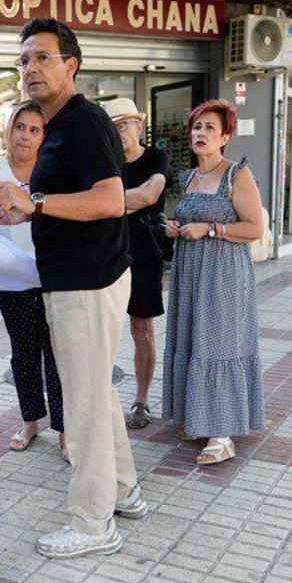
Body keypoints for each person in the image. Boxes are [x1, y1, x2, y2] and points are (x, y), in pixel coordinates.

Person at [0, 18, 148, 559]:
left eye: (43, 58)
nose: (30, 68)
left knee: (81, 406)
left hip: (87, 282)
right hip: (74, 278)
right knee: (95, 393)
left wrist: (34, 203)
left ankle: (92, 523)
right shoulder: (56, 127)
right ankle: (123, 492)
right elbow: (64, 206)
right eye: (24, 60)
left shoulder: (83, 121)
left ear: (71, 65)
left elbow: (109, 200)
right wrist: (26, 213)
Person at [161, 100, 265, 466]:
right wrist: (175, 228)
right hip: (190, 273)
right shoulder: (189, 178)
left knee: (218, 343)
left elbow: (254, 228)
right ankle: (198, 418)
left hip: (223, 275)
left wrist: (211, 228)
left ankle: (222, 435)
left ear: (225, 136)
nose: (199, 134)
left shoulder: (238, 174)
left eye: (208, 128)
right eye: (195, 128)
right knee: (193, 339)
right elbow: (186, 220)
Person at [0, 100, 64, 453]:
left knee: (58, 354)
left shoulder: (53, 171)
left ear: (44, 137)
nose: (25, 136)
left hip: (53, 275)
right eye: (20, 127)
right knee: (23, 352)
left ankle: (64, 429)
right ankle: (30, 422)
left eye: (34, 130)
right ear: (9, 129)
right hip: (12, 281)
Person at [103, 98, 169, 429]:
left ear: (140, 126)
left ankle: (141, 401)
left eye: (125, 123)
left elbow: (149, 196)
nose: (120, 131)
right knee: (105, 327)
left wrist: (106, 204)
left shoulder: (156, 157)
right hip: (108, 251)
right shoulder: (107, 161)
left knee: (142, 328)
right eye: (113, 126)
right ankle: (102, 398)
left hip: (144, 251)